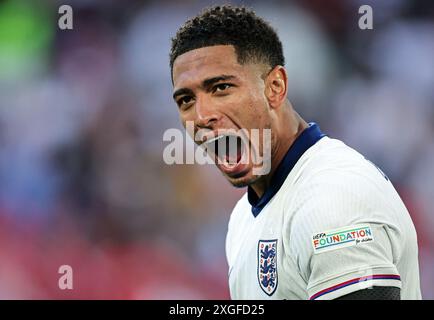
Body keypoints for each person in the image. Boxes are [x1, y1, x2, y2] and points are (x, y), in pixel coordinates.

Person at [169, 5, 421, 300]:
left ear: (275, 87)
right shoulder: (244, 217)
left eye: (222, 87)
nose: (201, 115)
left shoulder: (334, 197)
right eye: (186, 100)